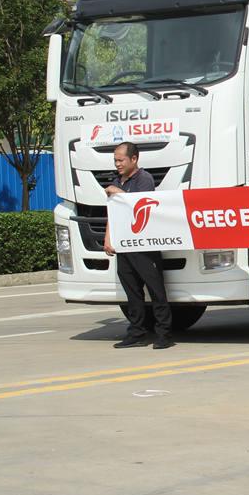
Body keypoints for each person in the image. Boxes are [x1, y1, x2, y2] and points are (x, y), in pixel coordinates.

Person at [103, 141, 174, 349]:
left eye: (121, 160)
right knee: (132, 291)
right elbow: (113, 213)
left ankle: (164, 334)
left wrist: (119, 193)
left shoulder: (144, 179)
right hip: (124, 246)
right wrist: (108, 238)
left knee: (155, 289)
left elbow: (142, 205)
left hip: (144, 245)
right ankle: (137, 332)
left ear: (134, 159)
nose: (117, 164)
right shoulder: (117, 180)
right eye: (115, 160)